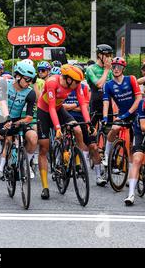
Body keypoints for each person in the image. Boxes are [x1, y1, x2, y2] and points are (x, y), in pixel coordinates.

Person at [37, 64, 91, 200]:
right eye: (76, 82)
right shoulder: (52, 83)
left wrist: (88, 122)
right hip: (44, 111)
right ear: (68, 79)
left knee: (77, 129)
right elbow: (51, 108)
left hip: (59, 109)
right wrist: (57, 128)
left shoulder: (76, 84)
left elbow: (83, 104)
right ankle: (45, 187)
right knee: (44, 147)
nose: (78, 85)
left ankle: (77, 163)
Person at [102, 57, 142, 163]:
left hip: (137, 113)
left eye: (119, 67)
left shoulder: (131, 79)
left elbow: (138, 98)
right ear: (111, 68)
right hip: (123, 112)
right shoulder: (108, 85)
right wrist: (105, 117)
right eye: (114, 67)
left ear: (123, 68)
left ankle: (131, 169)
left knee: (132, 144)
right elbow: (106, 102)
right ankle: (107, 154)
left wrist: (127, 113)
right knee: (114, 128)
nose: (116, 69)